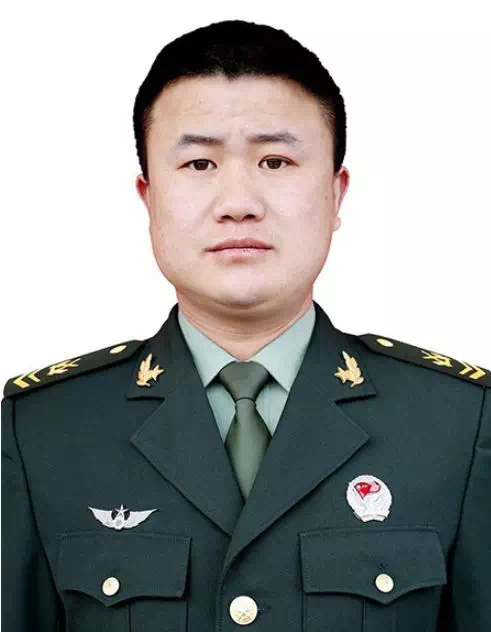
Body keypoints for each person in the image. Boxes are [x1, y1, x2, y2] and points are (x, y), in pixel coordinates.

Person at [2, 18, 490, 632]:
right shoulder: (42, 430)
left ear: (336, 194)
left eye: (275, 160)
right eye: (199, 163)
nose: (238, 202)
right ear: (149, 198)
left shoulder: (460, 423)